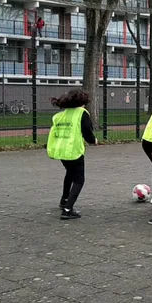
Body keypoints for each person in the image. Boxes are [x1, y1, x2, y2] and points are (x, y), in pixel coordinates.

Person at [47, 89, 98, 220]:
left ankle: (64, 200)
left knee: (70, 173)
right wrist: (93, 141)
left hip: (61, 151)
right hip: (74, 150)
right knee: (79, 179)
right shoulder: (82, 113)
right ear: (82, 102)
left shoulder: (60, 115)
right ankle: (67, 209)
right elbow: (87, 131)